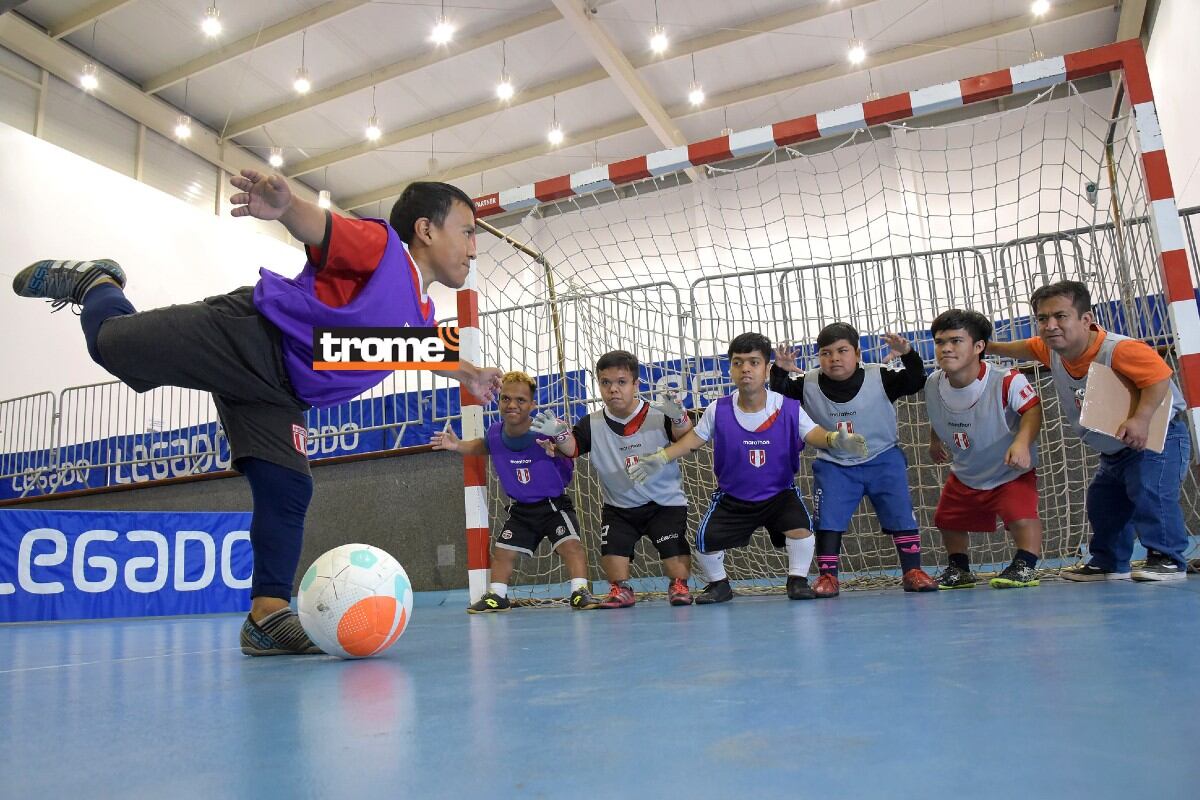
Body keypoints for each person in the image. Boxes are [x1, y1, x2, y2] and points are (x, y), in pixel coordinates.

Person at [12, 174, 502, 655]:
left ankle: (266, 617)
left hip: (278, 394)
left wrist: (471, 374)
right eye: (467, 230)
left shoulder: (416, 311)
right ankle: (96, 282)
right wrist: (288, 207)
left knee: (288, 486)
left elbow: (420, 350)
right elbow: (325, 230)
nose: (474, 246)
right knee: (111, 344)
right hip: (251, 336)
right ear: (426, 229)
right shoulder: (383, 250)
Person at [627, 332, 868, 604]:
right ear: (730, 369)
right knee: (705, 540)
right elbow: (692, 440)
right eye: (738, 363)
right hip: (733, 497)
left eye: (754, 362)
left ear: (767, 369)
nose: (746, 369)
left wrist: (834, 439)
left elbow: (812, 434)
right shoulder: (718, 409)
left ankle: (797, 580)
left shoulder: (787, 407)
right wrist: (660, 456)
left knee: (802, 528)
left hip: (779, 494)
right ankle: (719, 585)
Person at [986, 280, 1191, 582]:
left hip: (1157, 440)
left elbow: (1159, 377)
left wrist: (1141, 418)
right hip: (1115, 450)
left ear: (1086, 319)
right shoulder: (1051, 349)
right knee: (1102, 503)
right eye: (1042, 319)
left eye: (1060, 316)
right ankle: (1109, 561)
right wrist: (986, 345)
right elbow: (1023, 348)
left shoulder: (1120, 349)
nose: (1050, 325)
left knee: (1152, 494)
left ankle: (1168, 558)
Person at [771, 323, 936, 597]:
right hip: (835, 463)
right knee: (828, 520)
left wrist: (907, 353)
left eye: (842, 351)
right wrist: (779, 369)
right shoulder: (807, 383)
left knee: (900, 513)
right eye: (826, 353)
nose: (834, 358)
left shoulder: (880, 376)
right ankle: (828, 577)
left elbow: (916, 380)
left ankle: (912, 571)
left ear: (857, 353)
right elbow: (779, 395)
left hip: (883, 458)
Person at [432, 371, 601, 612]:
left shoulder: (547, 429)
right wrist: (457, 445)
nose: (512, 404)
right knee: (502, 553)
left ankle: (580, 591)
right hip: (521, 509)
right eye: (506, 398)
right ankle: (497, 595)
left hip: (553, 505)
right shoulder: (494, 433)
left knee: (571, 546)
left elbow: (569, 450)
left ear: (532, 405)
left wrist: (558, 446)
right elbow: (483, 445)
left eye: (521, 400)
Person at [924, 309, 1044, 590]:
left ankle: (1026, 565)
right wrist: (935, 439)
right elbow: (938, 412)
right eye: (940, 342)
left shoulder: (1006, 380)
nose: (946, 348)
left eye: (956, 341)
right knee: (947, 519)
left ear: (979, 347)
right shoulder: (933, 382)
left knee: (1021, 516)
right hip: (967, 469)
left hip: (1008, 469)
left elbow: (1033, 410)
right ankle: (959, 568)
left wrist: (1021, 442)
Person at [567, 350, 694, 608]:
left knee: (675, 557)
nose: (613, 389)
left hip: (664, 504)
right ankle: (621, 589)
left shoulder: (659, 414)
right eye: (605, 383)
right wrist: (558, 436)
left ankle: (678, 586)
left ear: (635, 384)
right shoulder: (590, 423)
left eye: (621, 382)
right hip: (620, 507)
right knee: (613, 558)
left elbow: (685, 438)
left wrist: (679, 417)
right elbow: (572, 449)